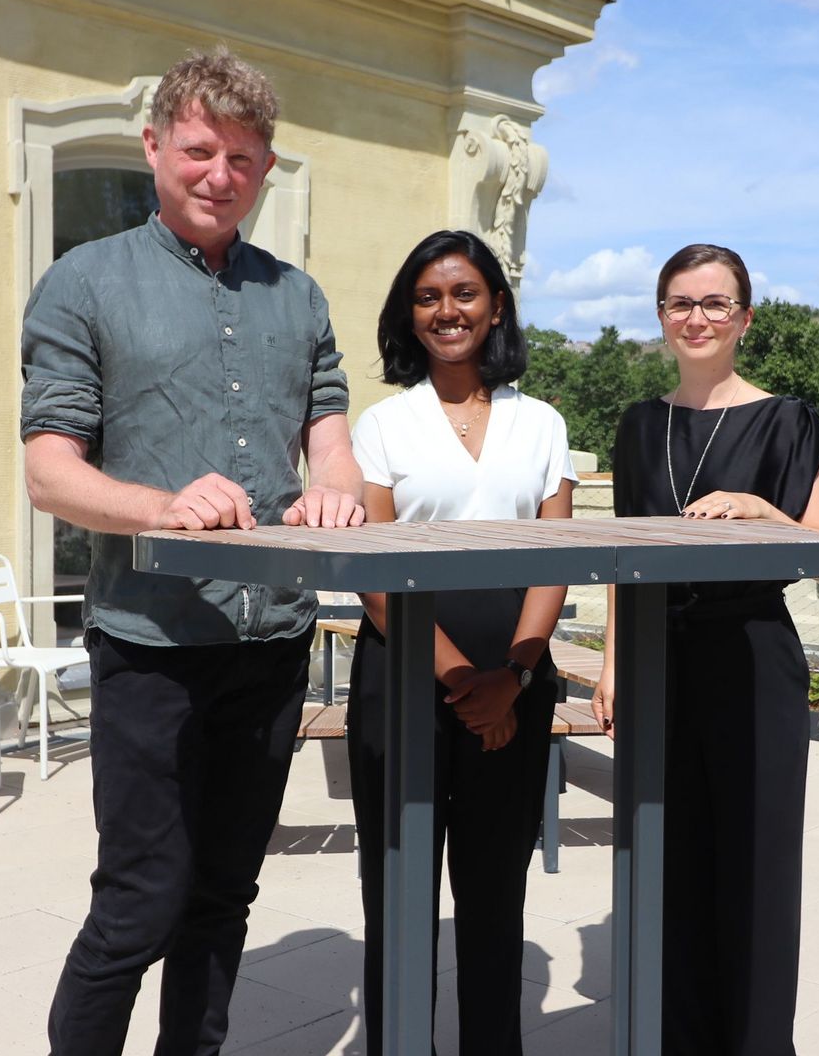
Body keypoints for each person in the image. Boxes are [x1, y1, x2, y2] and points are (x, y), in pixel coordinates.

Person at [20, 48, 365, 1056]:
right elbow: (50, 475)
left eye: (245, 160)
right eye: (200, 151)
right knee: (140, 905)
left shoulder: (298, 298)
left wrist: (332, 494)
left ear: (266, 169)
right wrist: (165, 505)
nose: (221, 175)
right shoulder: (83, 282)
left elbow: (332, 442)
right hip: (152, 646)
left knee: (224, 897)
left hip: (273, 646)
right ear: (155, 147)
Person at [590, 244, 819, 1056]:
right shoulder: (638, 424)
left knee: (756, 864)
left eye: (714, 303)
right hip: (661, 660)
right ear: (660, 316)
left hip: (751, 658)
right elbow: (626, 561)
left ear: (745, 319)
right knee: (670, 856)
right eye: (679, 303)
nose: (696, 318)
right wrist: (614, 665)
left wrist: (763, 508)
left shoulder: (787, 418)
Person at [345, 229, 576, 1053]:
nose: (448, 310)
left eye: (465, 293)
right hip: (405, 679)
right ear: (409, 316)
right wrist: (458, 680)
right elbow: (371, 569)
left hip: (517, 681)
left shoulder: (542, 423)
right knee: (399, 891)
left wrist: (512, 675)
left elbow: (556, 558)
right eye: (428, 297)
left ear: (497, 306)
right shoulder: (381, 424)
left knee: (493, 894)